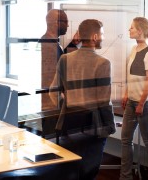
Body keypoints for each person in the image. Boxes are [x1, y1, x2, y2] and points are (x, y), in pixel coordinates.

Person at [49, 19, 116, 180]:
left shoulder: (65, 59)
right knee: (88, 173)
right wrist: (110, 127)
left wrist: (66, 105)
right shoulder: (103, 63)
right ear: (94, 36)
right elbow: (104, 101)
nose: (103, 37)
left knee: (68, 171)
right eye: (102, 34)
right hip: (92, 125)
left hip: (68, 122)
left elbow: (53, 91)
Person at [120, 17, 148, 180]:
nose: (129, 30)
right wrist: (127, 93)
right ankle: (125, 176)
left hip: (145, 105)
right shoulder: (134, 49)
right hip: (131, 102)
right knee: (125, 139)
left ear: (140, 31)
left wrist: (141, 103)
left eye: (132, 28)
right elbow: (131, 76)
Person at [41, 9, 78, 111]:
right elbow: (50, 77)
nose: (68, 25)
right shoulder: (47, 45)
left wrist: (73, 44)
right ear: (56, 23)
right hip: (50, 103)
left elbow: (61, 60)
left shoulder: (52, 43)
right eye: (65, 22)